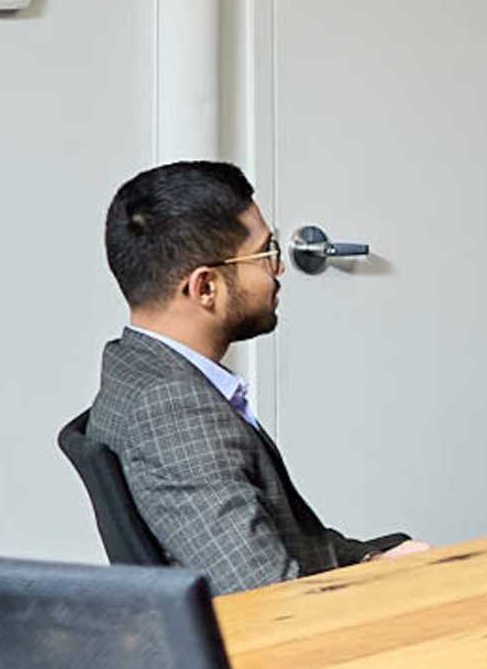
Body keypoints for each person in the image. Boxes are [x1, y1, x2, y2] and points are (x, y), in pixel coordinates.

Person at [86, 161, 424, 593]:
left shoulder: (135, 366)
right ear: (204, 287)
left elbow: (283, 547)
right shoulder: (172, 411)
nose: (279, 269)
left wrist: (371, 559)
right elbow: (267, 598)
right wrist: (381, 584)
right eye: (266, 254)